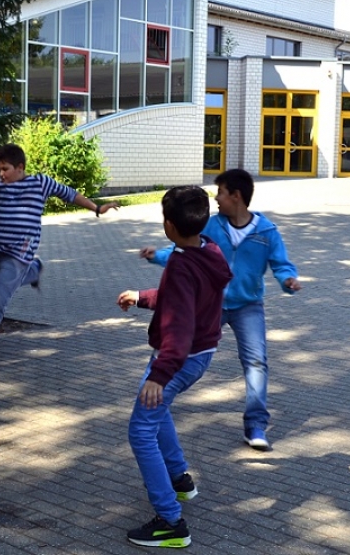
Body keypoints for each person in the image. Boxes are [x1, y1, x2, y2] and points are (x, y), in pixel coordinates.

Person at [140, 169, 300, 452]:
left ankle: (256, 426)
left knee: (256, 362)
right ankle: (161, 397)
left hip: (248, 306)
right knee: (183, 346)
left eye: (221, 193)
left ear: (236, 197)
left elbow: (281, 263)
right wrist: (157, 257)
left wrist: (287, 280)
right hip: (211, 304)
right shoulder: (212, 226)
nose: (216, 198)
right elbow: (186, 247)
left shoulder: (267, 232)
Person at [117, 185, 232, 548]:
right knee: (157, 410)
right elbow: (179, 300)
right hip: (201, 353)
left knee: (140, 431)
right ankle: (179, 480)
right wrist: (142, 297)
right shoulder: (207, 250)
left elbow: (180, 325)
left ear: (169, 224)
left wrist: (160, 375)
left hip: (179, 359)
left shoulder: (181, 264)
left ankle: (170, 522)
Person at [0, 143, 119, 376]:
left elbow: (70, 194)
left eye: (5, 169)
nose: (1, 174)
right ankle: (34, 270)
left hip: (18, 256)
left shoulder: (40, 183)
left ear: (20, 167)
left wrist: (97, 207)